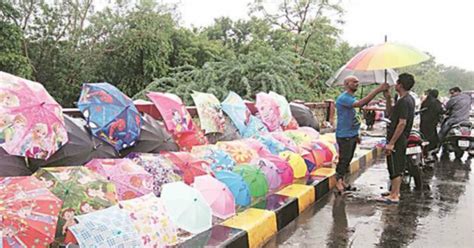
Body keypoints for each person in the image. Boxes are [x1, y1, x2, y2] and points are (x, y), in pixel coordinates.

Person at [335, 76, 389, 195]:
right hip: (344, 134)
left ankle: (342, 180)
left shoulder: (350, 98)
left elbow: (354, 116)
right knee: (344, 159)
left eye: (357, 82)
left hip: (352, 133)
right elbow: (360, 104)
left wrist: (356, 133)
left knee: (348, 159)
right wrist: (377, 90)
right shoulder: (344, 98)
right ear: (346, 83)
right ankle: (338, 181)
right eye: (354, 82)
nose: (356, 84)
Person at [379, 73, 416, 204]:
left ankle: (395, 195)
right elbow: (390, 113)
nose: (395, 84)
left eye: (397, 82)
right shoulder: (404, 100)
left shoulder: (404, 101)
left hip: (398, 139)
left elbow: (402, 123)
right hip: (399, 138)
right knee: (394, 165)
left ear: (400, 85)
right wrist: (388, 98)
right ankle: (394, 191)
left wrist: (392, 143)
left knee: (395, 166)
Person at [420, 89, 443, 160]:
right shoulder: (436, 102)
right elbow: (440, 111)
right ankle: (430, 150)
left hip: (424, 123)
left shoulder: (426, 101)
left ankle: (424, 150)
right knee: (432, 137)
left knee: (423, 136)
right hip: (432, 123)